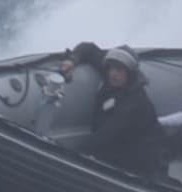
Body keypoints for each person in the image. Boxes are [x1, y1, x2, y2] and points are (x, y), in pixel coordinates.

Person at [59, 42, 163, 177]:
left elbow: (103, 135)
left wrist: (69, 159)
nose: (113, 74)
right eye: (111, 68)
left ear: (129, 73)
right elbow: (88, 48)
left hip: (137, 151)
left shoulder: (133, 103)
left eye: (119, 70)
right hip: (117, 139)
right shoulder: (112, 72)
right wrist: (72, 61)